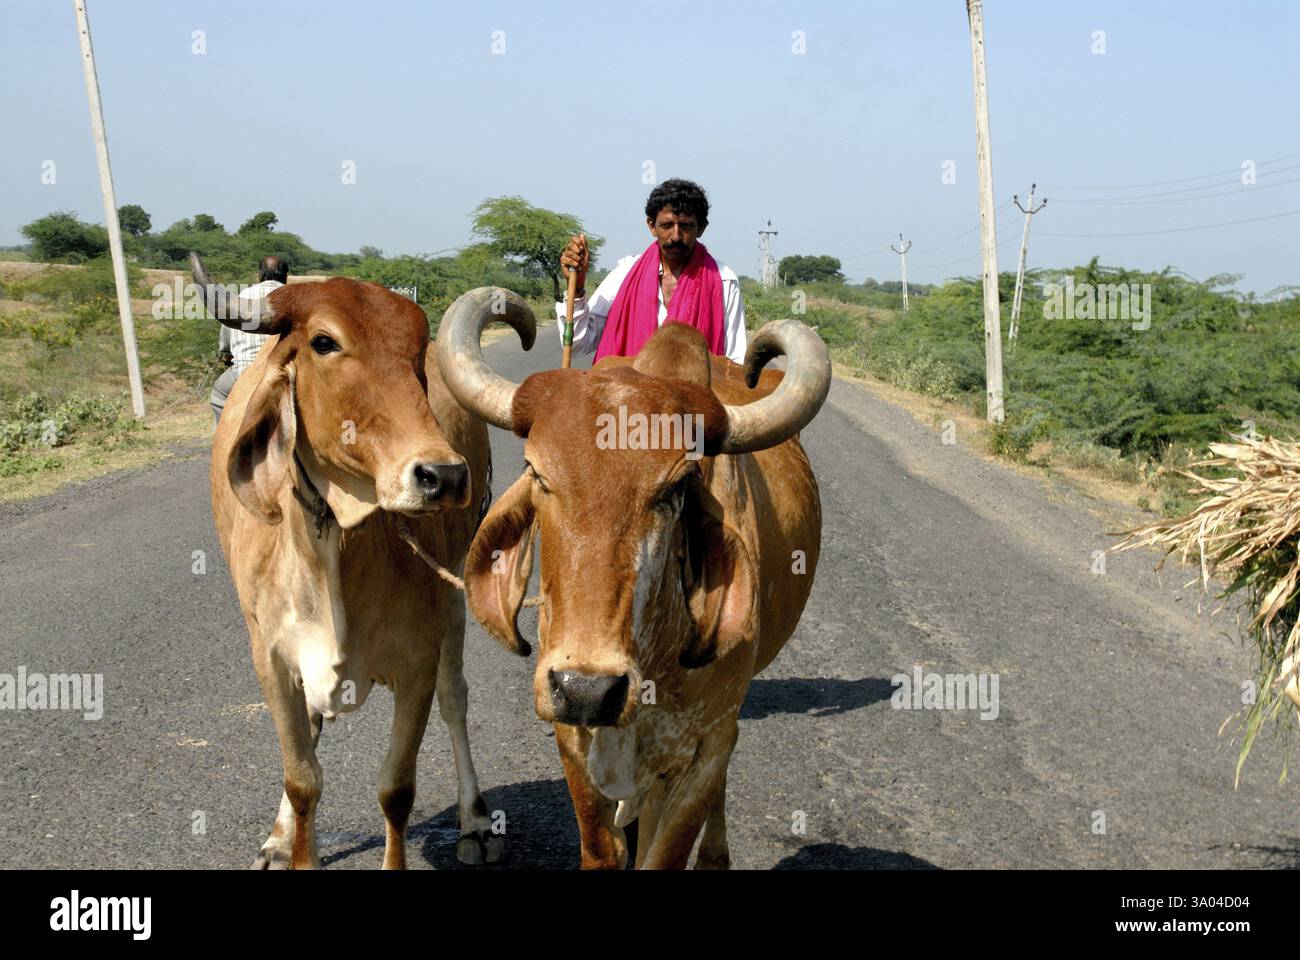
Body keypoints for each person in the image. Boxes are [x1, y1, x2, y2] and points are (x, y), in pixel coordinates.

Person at [557, 179, 747, 364]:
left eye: (686, 226)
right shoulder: (625, 274)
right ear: (651, 226)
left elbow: (734, 362)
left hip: (692, 394)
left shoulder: (723, 280)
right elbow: (577, 344)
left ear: (701, 228)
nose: (676, 237)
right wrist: (578, 286)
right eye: (666, 225)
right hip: (626, 393)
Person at [209, 255, 288, 425]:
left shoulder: (242, 297)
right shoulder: (292, 298)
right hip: (285, 373)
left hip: (244, 371)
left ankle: (222, 445)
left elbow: (225, 344)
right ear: (285, 275)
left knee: (218, 395)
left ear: (260, 274)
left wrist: (226, 353)